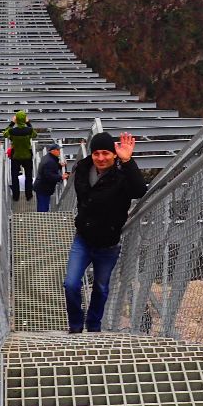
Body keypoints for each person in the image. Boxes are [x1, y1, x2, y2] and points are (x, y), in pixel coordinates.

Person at [64, 130, 146, 333]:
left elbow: (138, 190)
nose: (101, 158)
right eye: (96, 153)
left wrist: (127, 162)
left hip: (108, 243)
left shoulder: (122, 174)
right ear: (91, 154)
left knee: (100, 288)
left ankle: (93, 326)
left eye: (106, 153)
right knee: (70, 284)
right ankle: (75, 326)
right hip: (83, 238)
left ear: (114, 154)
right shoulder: (83, 168)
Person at [1, 110, 38, 202]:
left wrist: (12, 123)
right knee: (29, 176)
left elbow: (5, 134)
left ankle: (16, 196)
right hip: (27, 156)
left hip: (16, 156)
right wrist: (28, 123)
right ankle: (28, 195)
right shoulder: (29, 130)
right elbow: (35, 134)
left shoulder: (12, 131)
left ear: (16, 120)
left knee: (14, 176)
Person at [33, 142, 66, 212]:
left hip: (42, 187)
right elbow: (49, 175)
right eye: (58, 150)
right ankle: (42, 221)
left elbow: (50, 169)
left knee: (43, 206)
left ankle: (42, 219)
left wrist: (60, 166)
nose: (59, 151)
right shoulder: (49, 161)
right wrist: (61, 177)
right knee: (43, 208)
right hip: (43, 188)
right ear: (52, 151)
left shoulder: (49, 158)